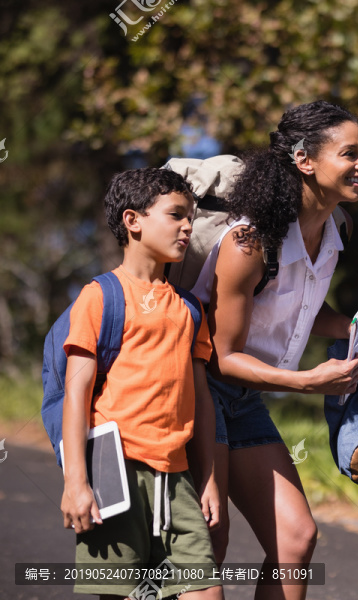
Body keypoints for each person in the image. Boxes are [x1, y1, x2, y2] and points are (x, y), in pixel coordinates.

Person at [191, 100, 358, 600]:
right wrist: (307, 381)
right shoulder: (249, 243)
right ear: (304, 160)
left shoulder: (335, 231)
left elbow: (293, 309)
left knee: (295, 537)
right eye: (350, 154)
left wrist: (356, 324)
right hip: (201, 390)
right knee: (212, 536)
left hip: (245, 395)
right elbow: (225, 355)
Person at [60, 168, 222, 599]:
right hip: (113, 474)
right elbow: (76, 394)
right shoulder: (101, 296)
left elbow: (201, 397)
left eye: (191, 216)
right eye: (175, 215)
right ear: (133, 220)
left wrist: (207, 478)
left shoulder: (190, 308)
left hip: (179, 478)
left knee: (206, 590)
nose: (188, 225)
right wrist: (76, 482)